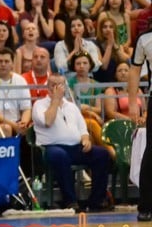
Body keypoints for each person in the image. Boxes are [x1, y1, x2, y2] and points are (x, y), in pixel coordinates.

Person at [32, 75, 111, 210]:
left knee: (102, 154)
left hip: (75, 147)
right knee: (59, 155)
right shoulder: (39, 105)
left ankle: (96, 200)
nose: (57, 88)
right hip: (50, 147)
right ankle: (70, 201)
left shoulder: (72, 106)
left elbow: (82, 129)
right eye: (53, 85)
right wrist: (55, 100)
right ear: (47, 87)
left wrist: (86, 140)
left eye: (60, 85)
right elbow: (48, 121)